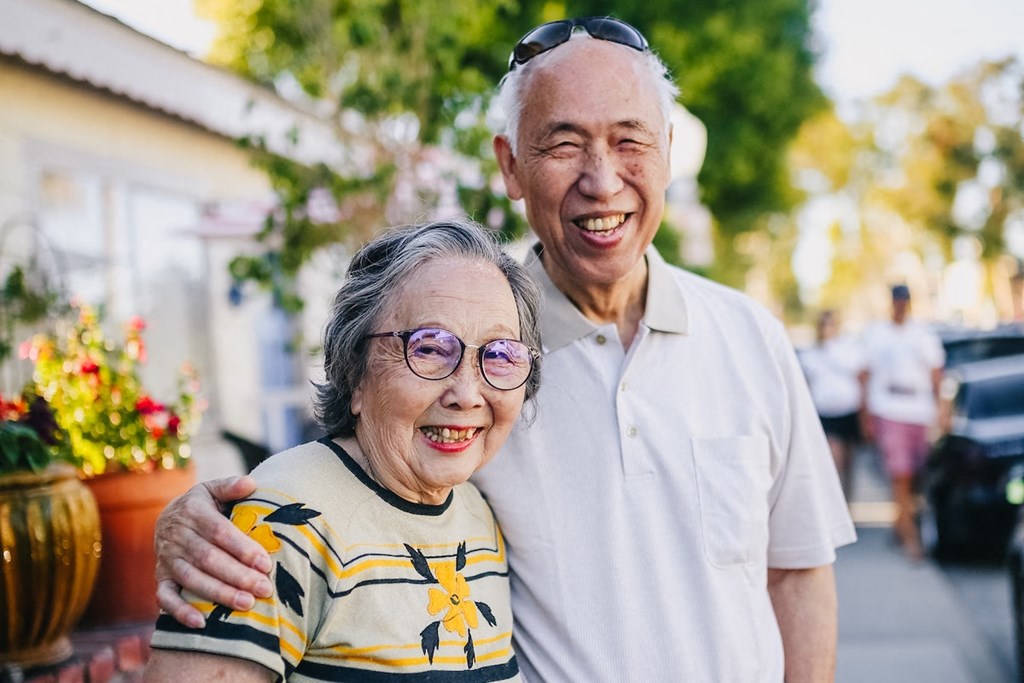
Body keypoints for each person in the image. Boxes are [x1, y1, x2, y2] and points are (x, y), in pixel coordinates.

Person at [152, 17, 856, 681]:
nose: (602, 179)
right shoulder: (471, 353)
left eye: (630, 141)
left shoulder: (751, 335)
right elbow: (347, 470)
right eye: (564, 143)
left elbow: (796, 569)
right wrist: (203, 516)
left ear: (669, 153)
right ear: (511, 167)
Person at [145, 220, 542, 681]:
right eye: (430, 348)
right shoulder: (279, 523)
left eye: (499, 354)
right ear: (354, 371)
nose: (467, 394)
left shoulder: (480, 518)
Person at [860, 284, 944, 560]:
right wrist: (867, 417)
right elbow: (865, 374)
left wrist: (942, 411)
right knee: (901, 474)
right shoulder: (877, 334)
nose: (900, 305)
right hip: (889, 409)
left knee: (917, 476)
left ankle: (901, 524)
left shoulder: (922, 334)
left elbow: (936, 374)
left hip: (919, 410)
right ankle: (910, 539)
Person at [799, 309, 865, 498]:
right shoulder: (811, 354)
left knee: (849, 462)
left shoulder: (848, 349)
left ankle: (847, 503)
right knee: (835, 462)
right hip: (826, 413)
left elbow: (861, 378)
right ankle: (836, 502)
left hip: (848, 412)